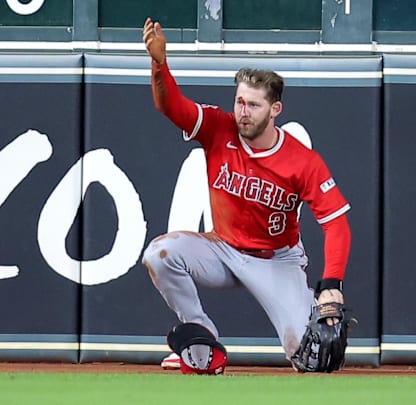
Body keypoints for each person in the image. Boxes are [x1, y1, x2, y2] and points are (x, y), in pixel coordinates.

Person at [141, 17, 352, 374]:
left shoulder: (302, 162)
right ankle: (199, 338)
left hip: (276, 260)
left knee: (311, 358)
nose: (243, 112)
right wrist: (159, 64)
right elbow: (170, 106)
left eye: (253, 105)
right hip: (222, 249)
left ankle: (300, 342)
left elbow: (337, 224)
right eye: (240, 102)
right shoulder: (217, 127)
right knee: (160, 254)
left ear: (275, 110)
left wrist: (331, 284)